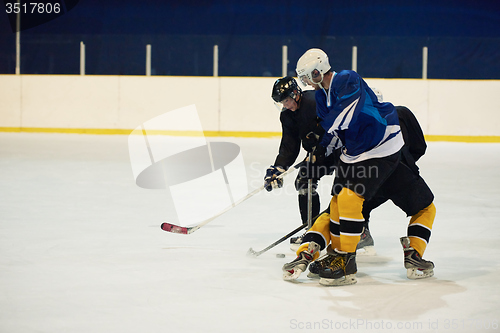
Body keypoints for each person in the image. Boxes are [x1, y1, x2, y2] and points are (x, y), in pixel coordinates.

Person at [282, 48, 436, 286]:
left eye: (305, 77)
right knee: (338, 204)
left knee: (347, 199)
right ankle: (314, 252)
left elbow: (341, 119)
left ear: (317, 71)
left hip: (381, 152)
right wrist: (319, 153)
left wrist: (324, 139)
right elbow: (335, 134)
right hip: (359, 155)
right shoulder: (323, 96)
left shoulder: (347, 79)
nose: (305, 83)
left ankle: (345, 259)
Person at [263, 76, 335, 234]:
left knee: (347, 188)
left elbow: (334, 126)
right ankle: (313, 231)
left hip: (339, 149)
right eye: (281, 102)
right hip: (318, 153)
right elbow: (289, 145)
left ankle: (361, 231)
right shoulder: (287, 116)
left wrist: (322, 148)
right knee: (304, 181)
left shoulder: (314, 101)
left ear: (295, 93)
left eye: (286, 100)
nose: (285, 105)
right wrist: (278, 168)